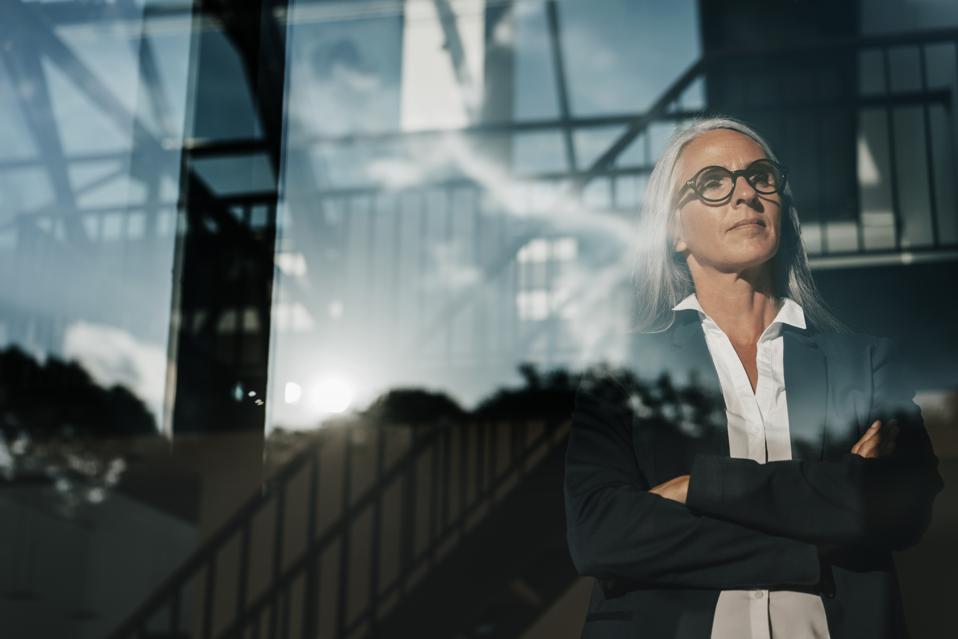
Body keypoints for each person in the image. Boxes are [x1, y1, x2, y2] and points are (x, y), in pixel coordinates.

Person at [563, 116, 944, 638]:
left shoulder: (867, 363)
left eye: (761, 176)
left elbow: (900, 506)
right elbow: (601, 535)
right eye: (713, 183)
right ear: (674, 232)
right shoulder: (620, 374)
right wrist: (817, 533)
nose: (745, 194)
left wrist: (700, 487)